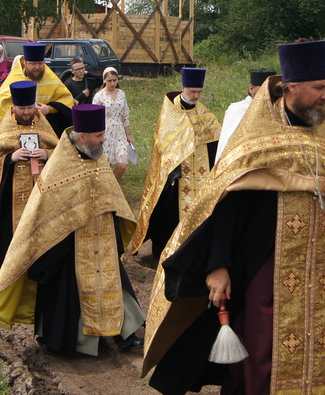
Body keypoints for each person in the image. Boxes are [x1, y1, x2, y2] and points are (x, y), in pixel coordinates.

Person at [142, 40, 325, 395]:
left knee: (314, 349)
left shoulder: (322, 133)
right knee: (263, 350)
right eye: (319, 87)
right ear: (290, 86)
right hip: (263, 264)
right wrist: (216, 265)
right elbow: (224, 206)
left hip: (316, 267)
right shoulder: (255, 138)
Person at [0, 104, 144, 356]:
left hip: (101, 236)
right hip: (69, 242)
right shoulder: (59, 164)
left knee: (113, 283)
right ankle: (76, 342)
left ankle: (124, 335)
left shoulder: (98, 155)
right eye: (99, 136)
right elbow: (47, 206)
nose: (103, 139)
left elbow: (110, 192)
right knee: (68, 291)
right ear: (82, 137)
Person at [130, 67, 220, 261]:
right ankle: (167, 252)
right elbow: (164, 148)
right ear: (183, 87)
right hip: (177, 177)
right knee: (169, 213)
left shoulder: (204, 113)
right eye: (192, 92)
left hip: (201, 175)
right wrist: (173, 173)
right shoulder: (171, 112)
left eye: (199, 92)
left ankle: (196, 251)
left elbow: (215, 144)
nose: (196, 96)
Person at [0, 42, 73, 197]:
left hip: (46, 138)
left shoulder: (51, 79)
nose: (37, 67)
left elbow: (67, 102)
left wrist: (49, 109)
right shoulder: (14, 79)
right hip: (15, 139)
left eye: (40, 63)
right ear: (26, 63)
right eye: (33, 64)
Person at [0, 80, 59, 267]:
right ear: (13, 107)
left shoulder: (43, 126)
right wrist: (10, 158)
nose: (27, 112)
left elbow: (62, 156)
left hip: (39, 198)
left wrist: (46, 154)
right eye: (22, 108)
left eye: (30, 108)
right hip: (10, 201)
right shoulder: (5, 130)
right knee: (10, 244)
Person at [214, 69, 276, 164]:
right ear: (251, 89)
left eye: (270, 91)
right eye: (263, 91)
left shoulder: (278, 111)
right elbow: (225, 144)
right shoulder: (237, 110)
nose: (267, 95)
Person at [92, 67, 133, 180]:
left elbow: (125, 114)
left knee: (122, 164)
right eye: (109, 80)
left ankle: (112, 185)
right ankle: (105, 189)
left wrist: (128, 134)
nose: (112, 83)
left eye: (114, 80)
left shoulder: (121, 94)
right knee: (106, 164)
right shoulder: (99, 96)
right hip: (104, 131)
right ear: (104, 80)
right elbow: (94, 117)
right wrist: (97, 135)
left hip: (119, 131)